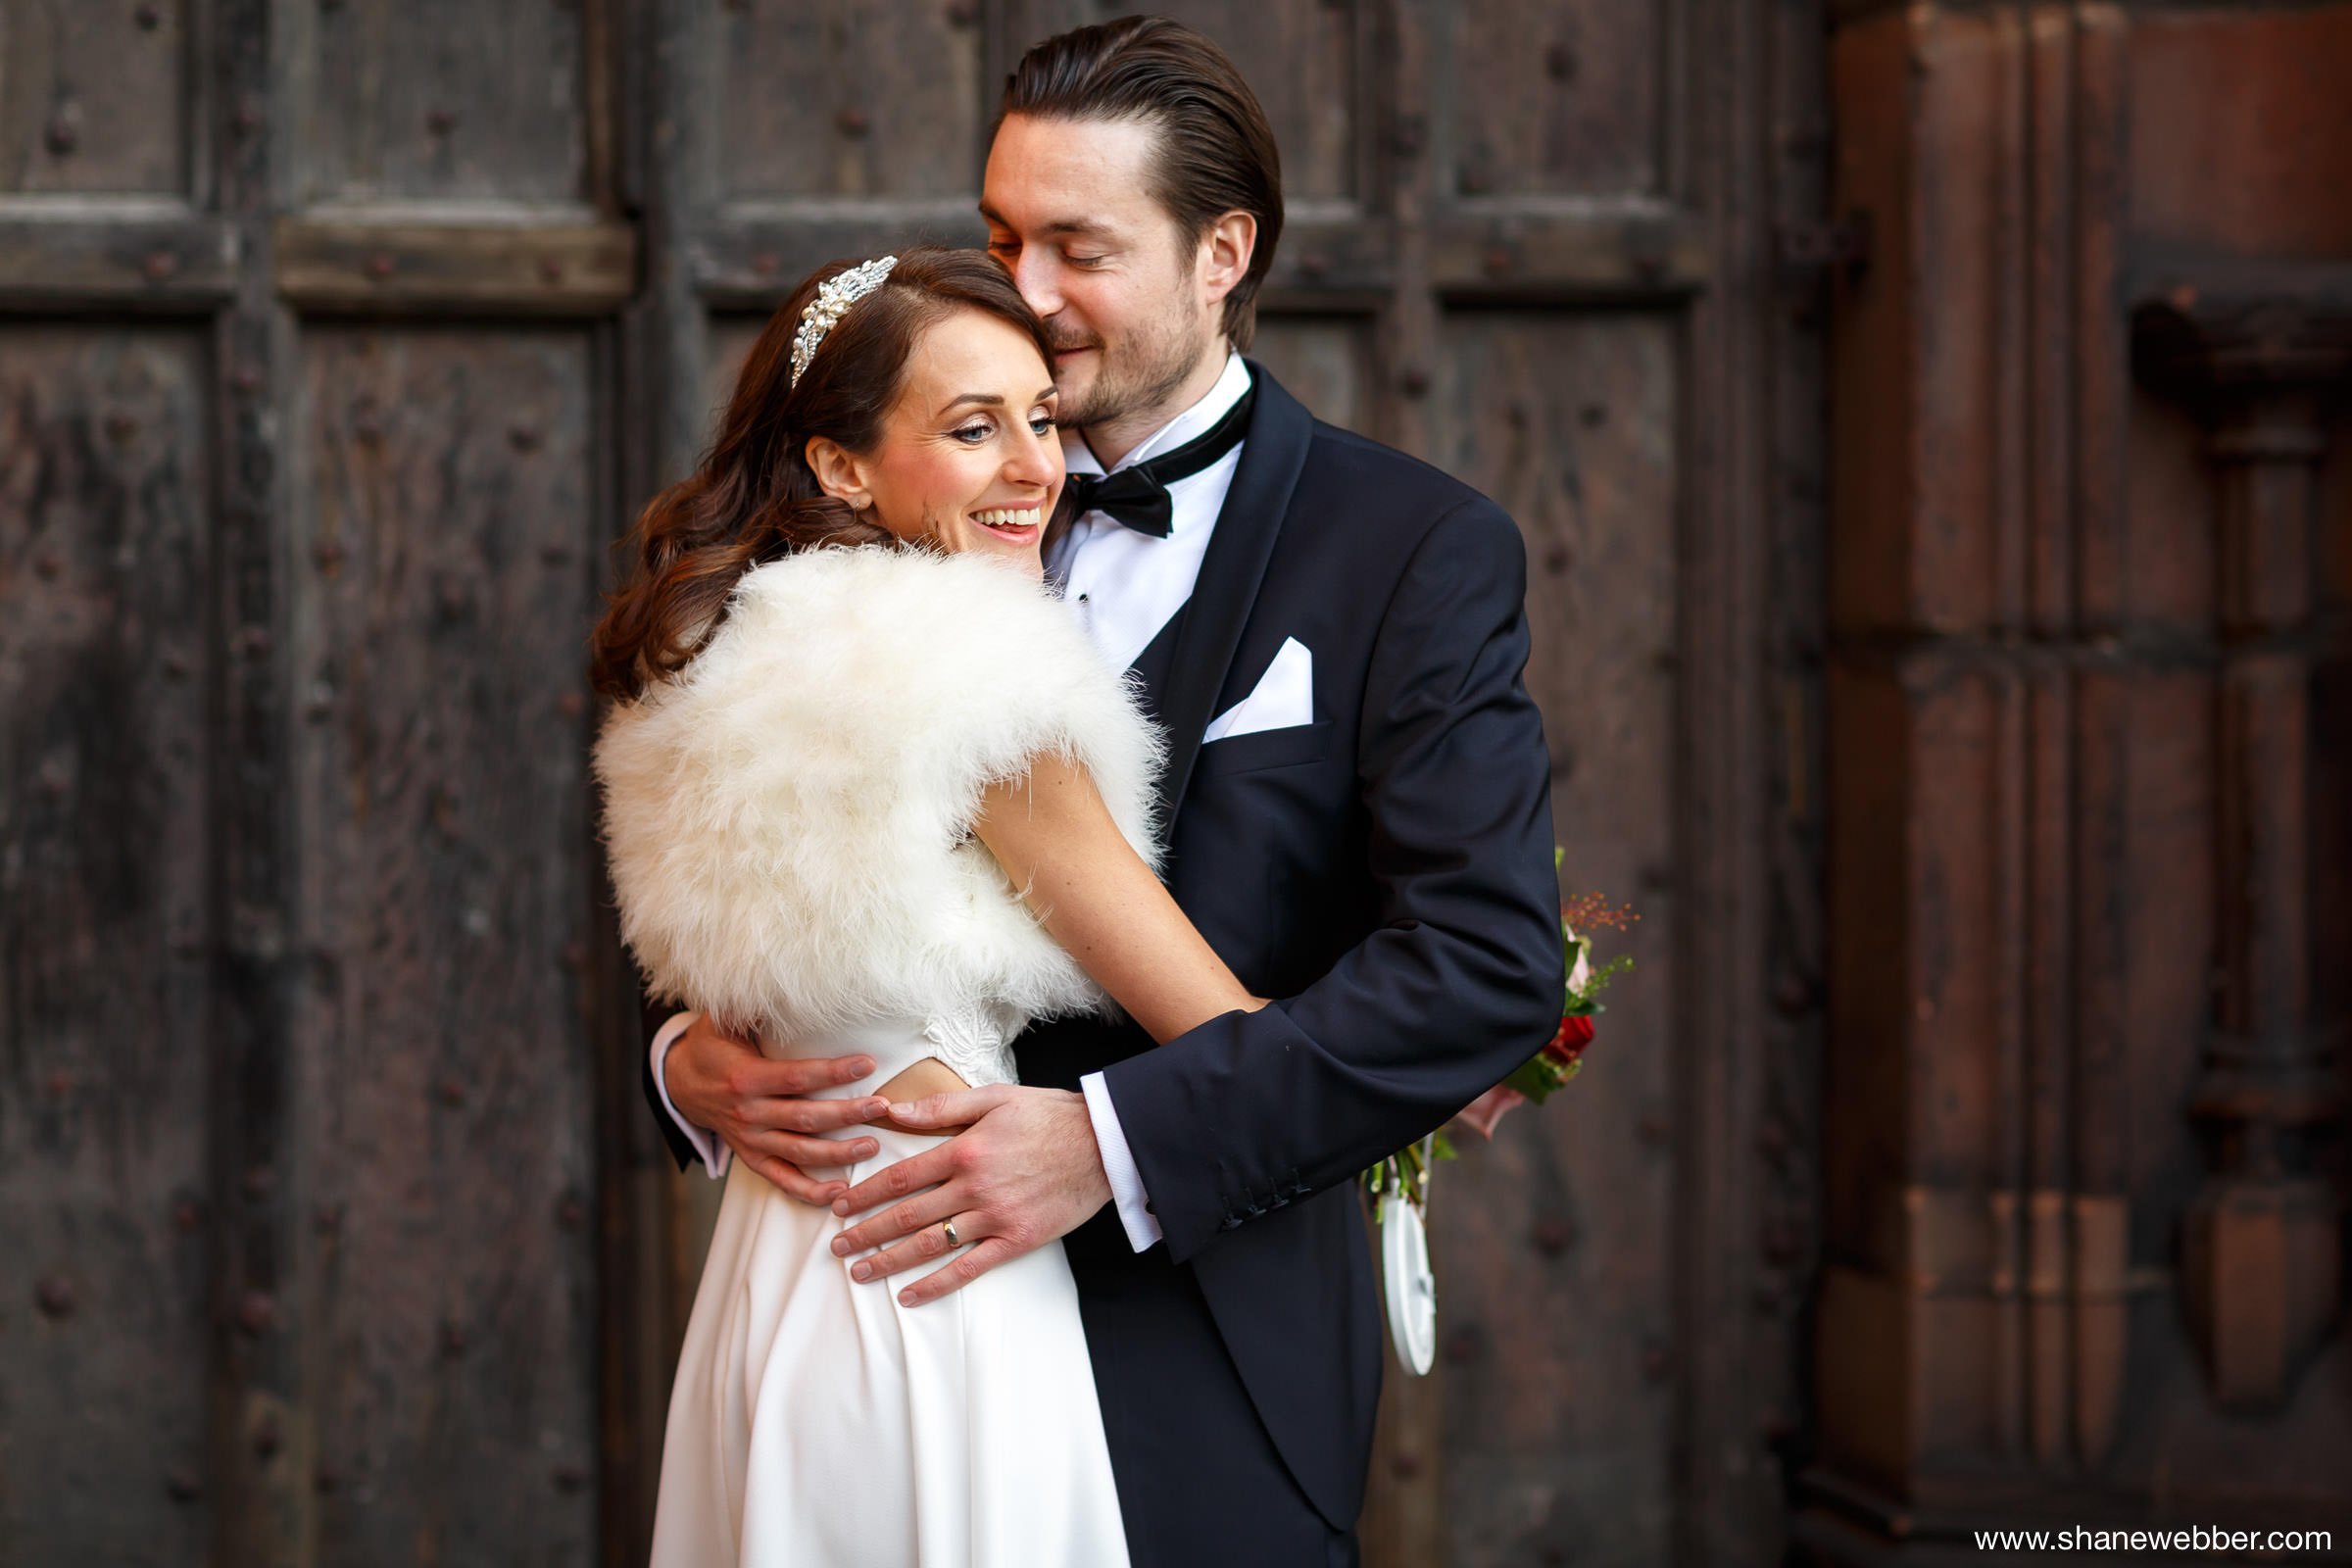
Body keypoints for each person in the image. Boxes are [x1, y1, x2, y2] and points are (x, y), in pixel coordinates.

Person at [647, 18, 1566, 1566]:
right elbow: (730, 846)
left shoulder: (1411, 547)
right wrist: (692, 1060)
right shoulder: (881, 515)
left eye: (1080, 245)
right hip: (882, 1311)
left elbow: (1484, 967)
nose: (1027, 289)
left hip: (1209, 1340)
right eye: (1005, 235)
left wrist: (1111, 1144)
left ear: (1223, 252)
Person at [592, 246, 1271, 1565]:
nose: (1038, 467)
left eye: (1041, 417)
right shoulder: (978, 688)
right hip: (942, 1277)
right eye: (973, 430)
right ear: (843, 466)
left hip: (771, 1282)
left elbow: (730, 986)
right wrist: (1428, 1063)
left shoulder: (720, 659)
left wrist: (680, 1056)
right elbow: (1224, 1034)